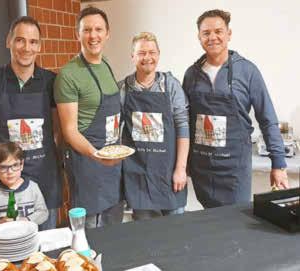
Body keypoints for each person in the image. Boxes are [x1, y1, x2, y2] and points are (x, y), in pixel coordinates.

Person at [182, 9, 289, 208]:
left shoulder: (247, 71)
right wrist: (183, 163)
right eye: (206, 33)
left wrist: (279, 164)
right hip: (201, 167)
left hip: (234, 168)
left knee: (236, 224)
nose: (212, 37)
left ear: (229, 34)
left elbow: (268, 119)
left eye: (218, 31)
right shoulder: (191, 74)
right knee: (209, 222)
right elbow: (184, 122)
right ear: (199, 37)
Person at [0, 16, 62, 229]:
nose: (26, 48)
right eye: (20, 40)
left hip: (45, 181)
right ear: (8, 41)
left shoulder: (52, 82)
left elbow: (58, 133)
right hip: (4, 182)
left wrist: (62, 173)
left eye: (33, 42)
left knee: (45, 252)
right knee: (6, 250)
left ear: (39, 46)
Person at [54, 6, 123, 228]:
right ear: (78, 34)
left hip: (111, 162)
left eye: (98, 29)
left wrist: (110, 156)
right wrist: (97, 156)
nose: (93, 36)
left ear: (107, 33)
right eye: (87, 30)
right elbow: (69, 131)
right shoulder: (69, 74)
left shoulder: (106, 65)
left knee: (114, 227)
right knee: (91, 233)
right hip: (88, 166)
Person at [119, 32, 189, 220]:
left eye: (152, 52)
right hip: (138, 175)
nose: (147, 58)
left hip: (169, 174)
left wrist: (181, 169)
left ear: (158, 54)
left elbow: (183, 127)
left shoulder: (171, 85)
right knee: (145, 234)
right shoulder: (123, 89)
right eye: (141, 53)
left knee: (175, 232)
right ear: (132, 56)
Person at [0, 142, 49, 232]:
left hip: (29, 240)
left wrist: (27, 220)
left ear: (21, 165)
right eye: (3, 167)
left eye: (15, 165)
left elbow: (43, 213)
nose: (10, 171)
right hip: (5, 242)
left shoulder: (33, 187)